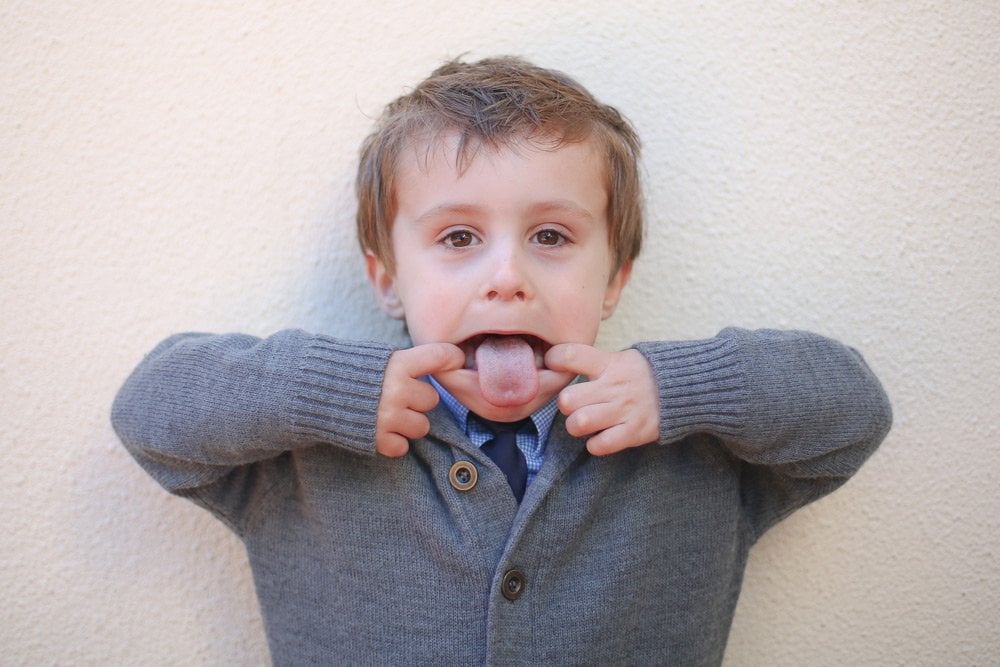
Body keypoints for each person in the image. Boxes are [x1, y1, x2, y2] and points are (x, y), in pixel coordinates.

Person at [112, 56, 892, 665]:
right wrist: (335, 391)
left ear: (614, 277)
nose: (507, 277)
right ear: (387, 278)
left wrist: (679, 386)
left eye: (551, 237)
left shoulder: (694, 448)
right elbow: (152, 407)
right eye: (458, 238)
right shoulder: (306, 456)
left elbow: (852, 409)